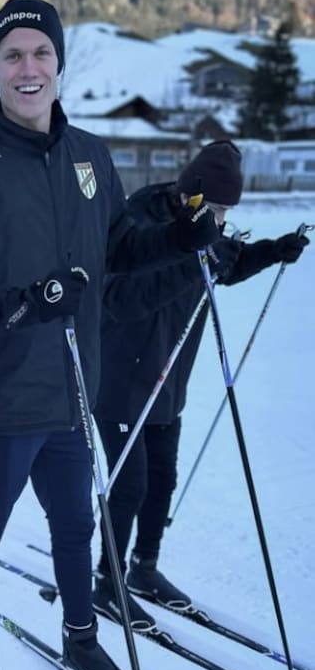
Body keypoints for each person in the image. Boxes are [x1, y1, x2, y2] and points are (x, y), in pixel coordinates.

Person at [0, 0, 222, 670]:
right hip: (1, 394)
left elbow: (115, 248)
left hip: (72, 387)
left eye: (40, 54)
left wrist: (178, 238)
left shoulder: (91, 155)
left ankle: (81, 635)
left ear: (59, 63)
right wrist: (18, 304)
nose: (28, 69)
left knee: (77, 524)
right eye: (12, 56)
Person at [92, 140, 310, 631]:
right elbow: (121, 300)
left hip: (169, 379)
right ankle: (108, 580)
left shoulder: (207, 228)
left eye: (227, 212)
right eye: (214, 209)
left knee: (162, 479)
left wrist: (271, 252)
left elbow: (224, 268)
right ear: (187, 194)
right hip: (122, 377)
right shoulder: (139, 223)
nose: (220, 219)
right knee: (129, 485)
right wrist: (198, 261)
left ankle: (144, 568)